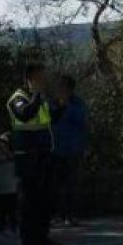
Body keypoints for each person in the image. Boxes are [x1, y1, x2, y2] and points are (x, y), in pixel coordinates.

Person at [8, 63, 60, 245]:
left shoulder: (41, 97)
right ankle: (29, 241)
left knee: (46, 199)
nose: (43, 80)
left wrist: (59, 104)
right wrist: (38, 96)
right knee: (30, 201)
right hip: (27, 156)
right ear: (30, 78)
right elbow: (24, 114)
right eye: (39, 77)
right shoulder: (18, 98)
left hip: (44, 153)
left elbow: (52, 118)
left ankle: (43, 237)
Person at [51, 75, 88, 227]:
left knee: (72, 184)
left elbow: (81, 120)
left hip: (73, 149)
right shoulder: (52, 103)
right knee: (56, 184)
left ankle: (71, 215)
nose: (59, 90)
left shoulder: (78, 103)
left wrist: (67, 106)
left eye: (62, 87)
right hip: (56, 149)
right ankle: (57, 214)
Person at [0, 134, 19, 234]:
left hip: (11, 189)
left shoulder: (11, 160)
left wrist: (1, 145)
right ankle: (2, 226)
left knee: (12, 211)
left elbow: (10, 155)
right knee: (1, 211)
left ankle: (13, 226)